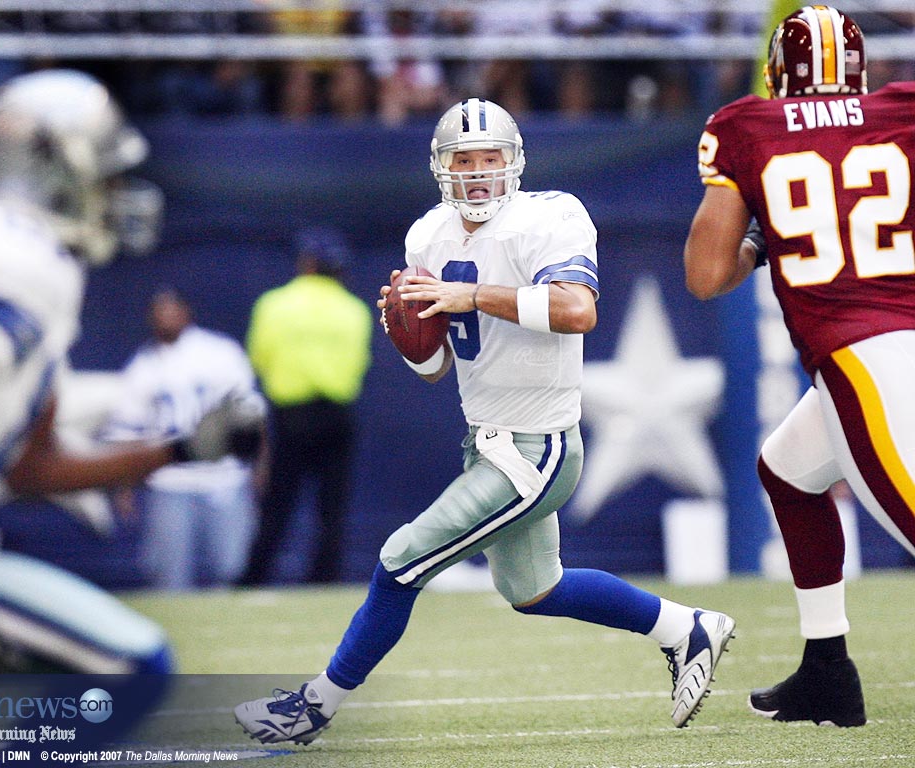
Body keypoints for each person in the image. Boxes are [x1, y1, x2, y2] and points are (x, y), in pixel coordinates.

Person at [234, 97, 736, 744]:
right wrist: (409, 332)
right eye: (462, 160)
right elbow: (437, 368)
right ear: (441, 167)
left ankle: (314, 706)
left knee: (401, 560)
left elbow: (578, 311)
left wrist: (469, 295)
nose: (476, 173)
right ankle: (686, 628)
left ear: (514, 161)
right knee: (536, 590)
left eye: (488, 158)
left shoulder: (551, 217)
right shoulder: (428, 235)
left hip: (539, 448)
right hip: (486, 441)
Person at [0, 69, 253, 678]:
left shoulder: (24, 252)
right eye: (108, 176)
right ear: (58, 175)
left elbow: (33, 467)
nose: (118, 193)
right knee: (136, 671)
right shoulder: (14, 254)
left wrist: (180, 449)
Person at [683, 5, 915, 728]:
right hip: (893, 338)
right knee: (788, 472)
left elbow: (706, 275)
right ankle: (827, 671)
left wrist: (761, 236)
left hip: (863, 355)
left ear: (777, 75)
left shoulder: (747, 126)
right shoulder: (902, 112)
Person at [104, 287, 267, 590]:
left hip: (224, 477)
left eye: (171, 309)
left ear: (186, 312)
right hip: (170, 482)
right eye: (159, 311)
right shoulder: (143, 366)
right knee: (169, 576)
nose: (165, 317)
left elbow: (251, 415)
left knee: (235, 569)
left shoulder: (220, 352)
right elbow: (127, 431)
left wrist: (259, 468)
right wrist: (124, 487)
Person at [238, 227, 372, 585]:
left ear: (306, 263)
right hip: (337, 414)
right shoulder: (355, 310)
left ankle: (255, 578)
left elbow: (259, 358)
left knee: (277, 502)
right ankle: (324, 579)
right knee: (332, 506)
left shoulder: (274, 304)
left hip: (290, 415)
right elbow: (357, 364)